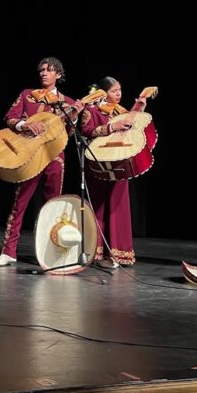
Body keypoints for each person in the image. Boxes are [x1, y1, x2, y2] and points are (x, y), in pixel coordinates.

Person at [0, 57, 84, 266]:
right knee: (20, 202)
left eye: (49, 70)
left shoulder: (67, 103)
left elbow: (68, 134)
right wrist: (24, 125)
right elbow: (10, 117)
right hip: (29, 155)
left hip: (54, 157)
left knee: (53, 206)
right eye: (41, 70)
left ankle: (50, 253)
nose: (44, 73)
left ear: (58, 75)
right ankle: (8, 252)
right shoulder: (27, 95)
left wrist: (75, 116)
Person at [79, 76, 148, 267]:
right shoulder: (91, 110)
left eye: (119, 90)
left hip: (119, 159)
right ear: (102, 92)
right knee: (99, 203)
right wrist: (111, 127)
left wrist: (138, 110)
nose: (118, 94)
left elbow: (131, 130)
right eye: (113, 91)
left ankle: (118, 252)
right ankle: (97, 251)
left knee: (118, 203)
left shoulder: (122, 111)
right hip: (99, 161)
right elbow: (86, 131)